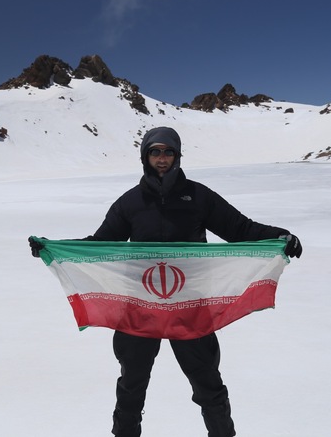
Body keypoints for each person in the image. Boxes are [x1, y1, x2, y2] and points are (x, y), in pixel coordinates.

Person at [30, 126, 302, 437]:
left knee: (208, 383)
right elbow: (101, 244)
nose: (162, 158)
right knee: (132, 385)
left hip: (190, 306)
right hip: (140, 307)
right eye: (155, 152)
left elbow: (240, 228)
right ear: (145, 156)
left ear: (177, 156)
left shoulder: (199, 197)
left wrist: (280, 236)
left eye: (168, 152)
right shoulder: (130, 202)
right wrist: (55, 248)